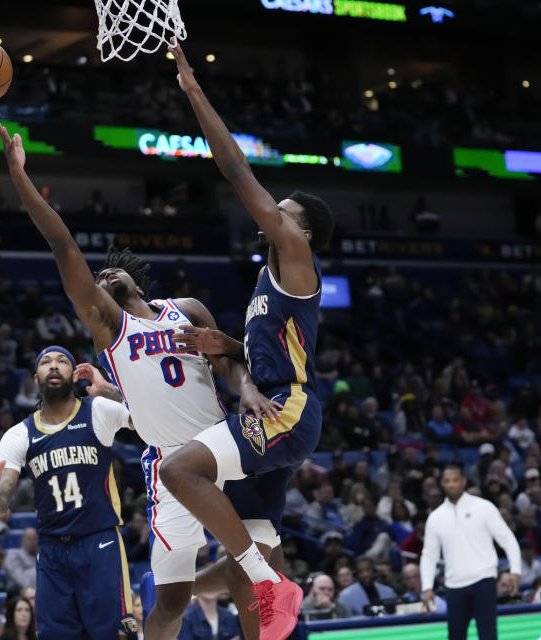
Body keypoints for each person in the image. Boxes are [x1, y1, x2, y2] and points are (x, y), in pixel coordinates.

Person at [0, 119, 284, 640]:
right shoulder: (111, 327)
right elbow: (64, 249)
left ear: (134, 276)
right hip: (169, 463)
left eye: (111, 273)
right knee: (171, 599)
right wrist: (21, 181)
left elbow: (228, 361)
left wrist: (246, 389)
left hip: (223, 446)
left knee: (259, 567)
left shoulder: (187, 308)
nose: (103, 278)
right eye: (99, 278)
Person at [156, 38, 336, 640]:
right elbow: (266, 353)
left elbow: (235, 171)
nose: (272, 217)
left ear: (302, 230)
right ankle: (271, 596)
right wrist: (230, 349)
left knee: (178, 473)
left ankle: (273, 584)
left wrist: (193, 91)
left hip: (288, 411)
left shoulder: (297, 257)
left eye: (283, 212)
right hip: (275, 405)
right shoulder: (267, 276)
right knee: (247, 553)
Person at [0, 346, 135, 638]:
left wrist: (109, 390)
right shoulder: (19, 434)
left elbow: (148, 422)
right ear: (36, 378)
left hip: (99, 540)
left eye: (62, 361)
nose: (54, 366)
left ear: (74, 374)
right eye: (46, 363)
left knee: (113, 632)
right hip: (52, 550)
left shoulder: (97, 410)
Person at [420, 467, 521, 640]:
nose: (452, 484)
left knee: (488, 635)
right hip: (454, 585)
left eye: (455, 480)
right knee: (455, 636)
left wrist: (515, 571)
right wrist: (427, 587)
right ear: (442, 484)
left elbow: (507, 539)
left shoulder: (483, 507)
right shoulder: (435, 517)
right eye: (447, 481)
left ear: (463, 481)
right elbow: (429, 555)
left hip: (484, 579)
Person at [176, 591, 241, 640]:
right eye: (205, 584)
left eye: (213, 584)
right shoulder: (186, 619)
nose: (209, 588)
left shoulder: (229, 616)